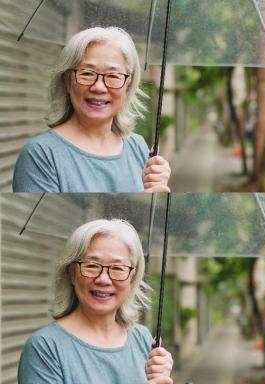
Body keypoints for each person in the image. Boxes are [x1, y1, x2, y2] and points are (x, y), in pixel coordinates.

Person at [12, 27, 171, 192]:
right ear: (67, 81)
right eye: (87, 73)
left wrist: (157, 188)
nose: (99, 87)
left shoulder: (137, 146)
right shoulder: (40, 154)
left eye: (113, 76)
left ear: (128, 85)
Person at [18, 219, 173, 384]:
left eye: (117, 268)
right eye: (91, 266)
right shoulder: (45, 347)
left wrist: (160, 376)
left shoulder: (142, 338)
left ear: (132, 277)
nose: (103, 279)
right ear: (72, 273)